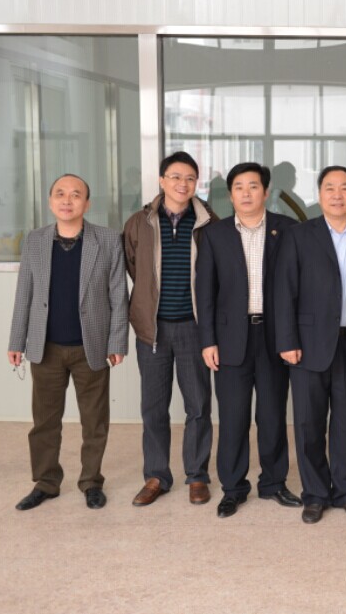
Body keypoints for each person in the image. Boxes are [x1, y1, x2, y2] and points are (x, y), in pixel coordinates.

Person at [7, 174, 128, 511]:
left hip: (92, 346)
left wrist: (117, 341)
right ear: (50, 201)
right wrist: (17, 339)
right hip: (45, 347)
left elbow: (119, 294)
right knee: (44, 423)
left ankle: (91, 482)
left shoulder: (107, 240)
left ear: (87, 204)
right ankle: (46, 483)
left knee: (94, 422)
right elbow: (24, 294)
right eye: (60, 194)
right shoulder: (35, 240)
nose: (67, 200)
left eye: (76, 195)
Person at [196, 162, 301, 518]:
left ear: (266, 192)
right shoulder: (215, 235)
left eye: (253, 186)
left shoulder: (288, 230)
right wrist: (208, 341)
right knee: (233, 417)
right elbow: (205, 292)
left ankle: (273, 483)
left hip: (274, 336)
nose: (246, 193)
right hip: (230, 339)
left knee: (272, 415)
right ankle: (233, 488)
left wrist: (293, 337)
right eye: (238, 187)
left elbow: (298, 288)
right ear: (230, 194)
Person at [276, 166, 346, 524]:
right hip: (306, 345)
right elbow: (284, 290)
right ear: (319, 194)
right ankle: (315, 494)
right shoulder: (298, 236)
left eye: (345, 188)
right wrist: (287, 340)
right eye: (330, 188)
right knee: (309, 423)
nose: (338, 195)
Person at [124, 151, 218, 507]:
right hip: (153, 330)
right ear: (162, 180)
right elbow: (133, 266)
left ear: (197, 184)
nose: (183, 184)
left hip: (194, 329)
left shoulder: (209, 221)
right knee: (153, 407)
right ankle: (156, 476)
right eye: (176, 177)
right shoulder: (139, 222)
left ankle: (197, 475)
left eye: (190, 178)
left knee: (198, 405)